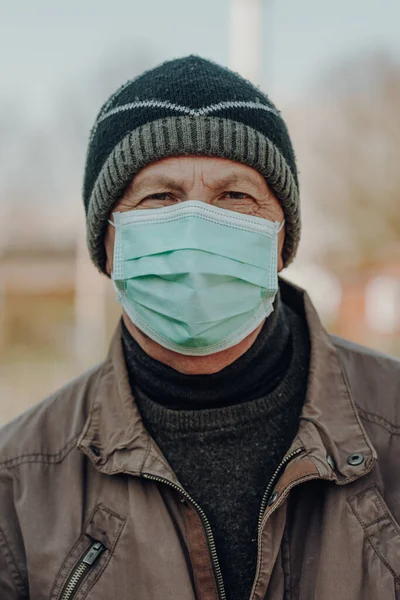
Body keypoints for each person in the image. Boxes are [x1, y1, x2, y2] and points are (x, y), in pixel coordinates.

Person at [0, 55, 399, 600]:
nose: (195, 227)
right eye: (159, 197)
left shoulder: (392, 424)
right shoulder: (20, 480)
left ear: (282, 239)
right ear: (108, 244)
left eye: (235, 197)